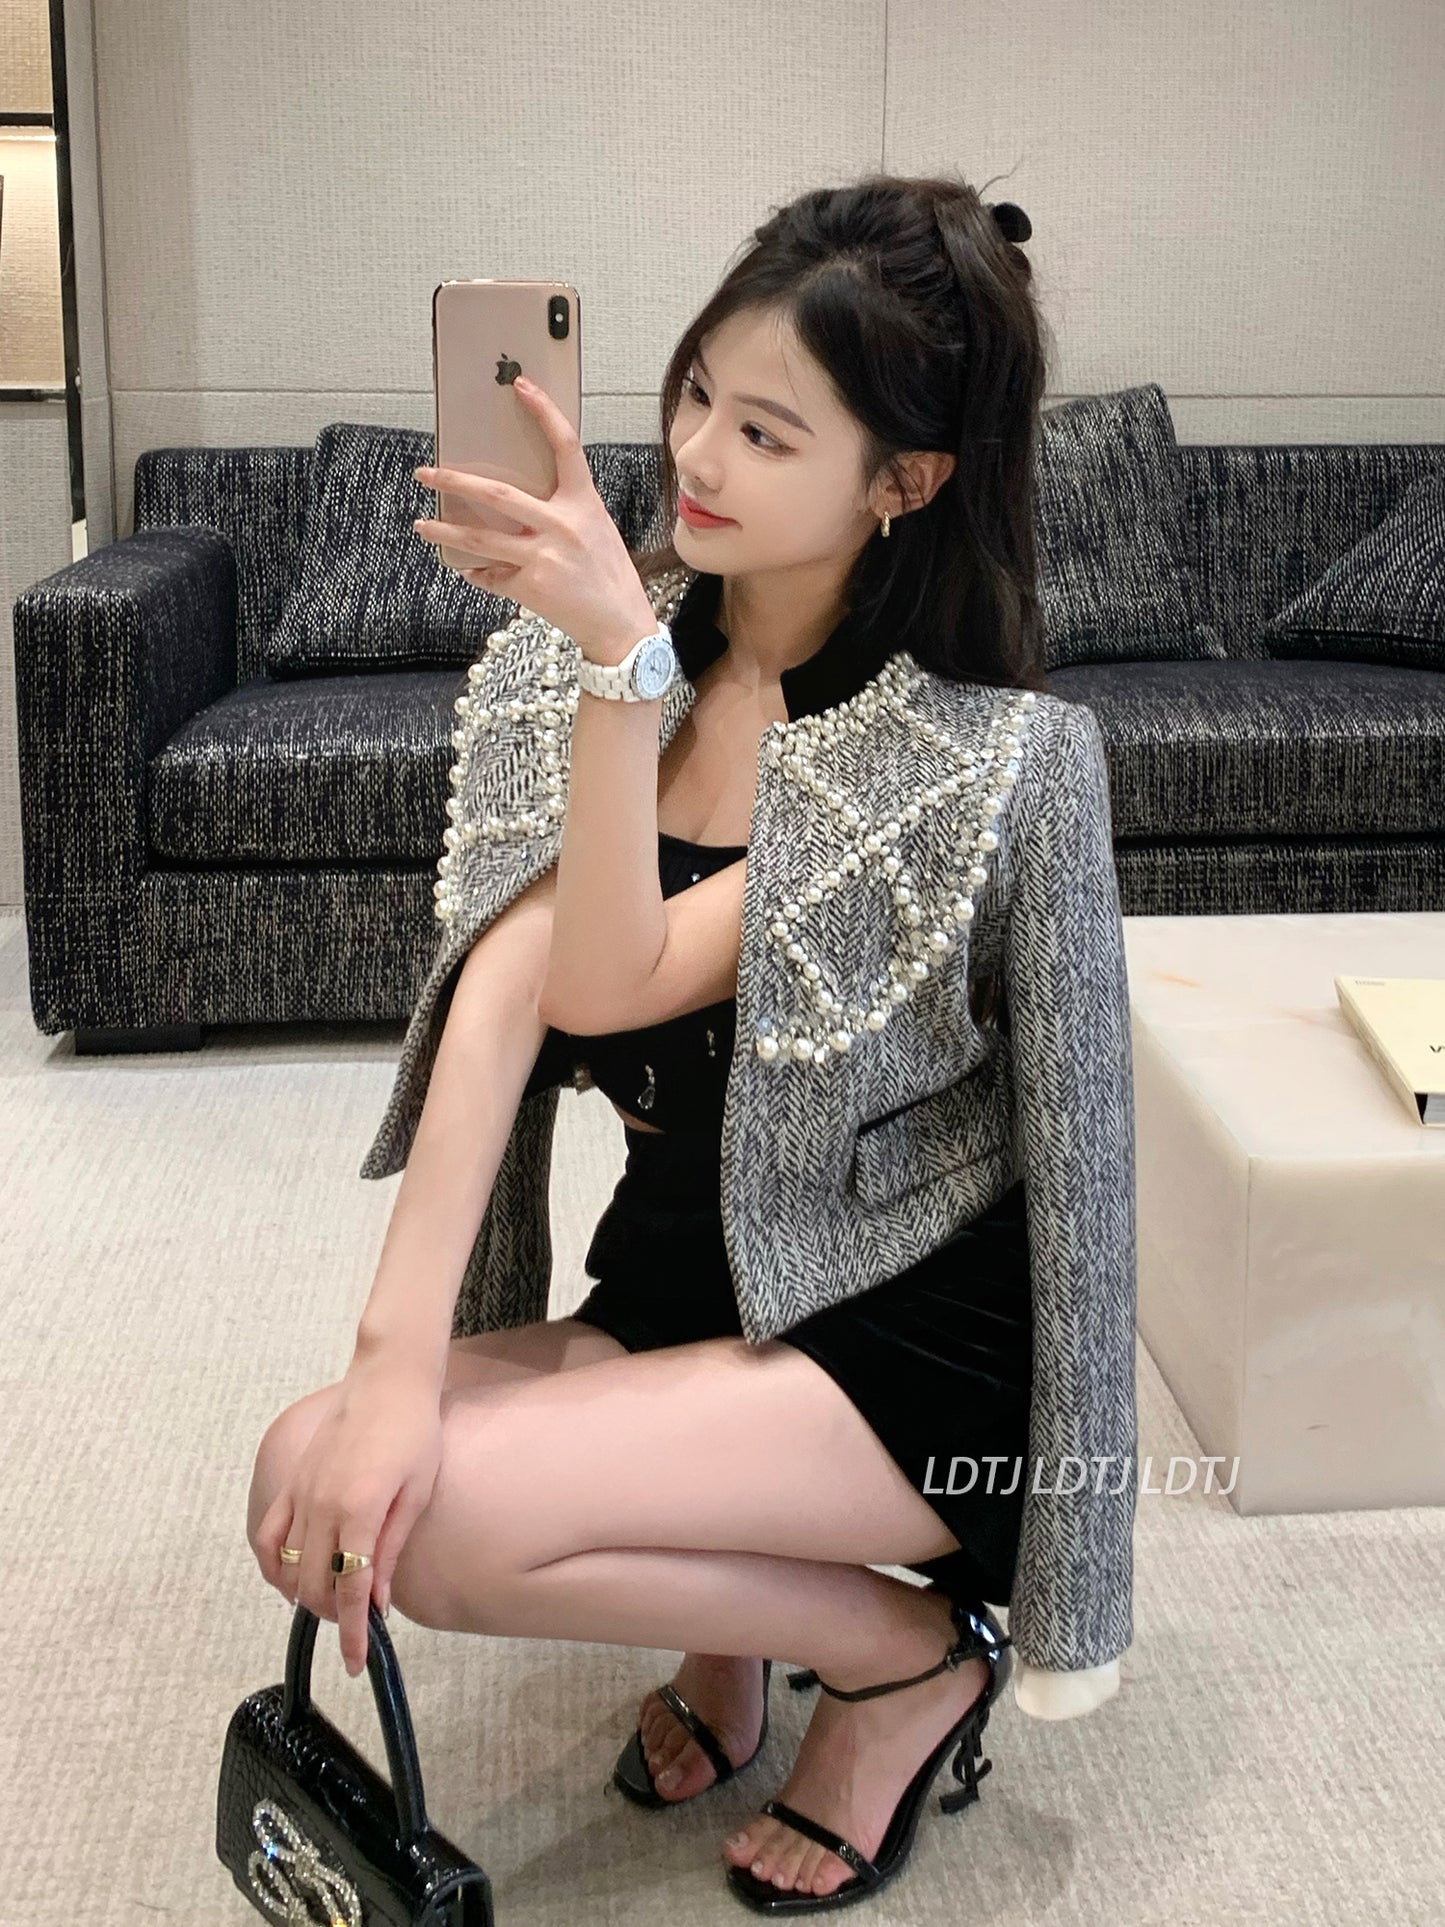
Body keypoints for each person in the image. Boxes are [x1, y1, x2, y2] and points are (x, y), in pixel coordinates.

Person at [248, 172, 1136, 1914]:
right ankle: (726, 1630)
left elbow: (617, 979)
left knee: (450, 1531)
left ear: (904, 480)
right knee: (307, 1470)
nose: (695, 457)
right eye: (694, 395)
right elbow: (512, 988)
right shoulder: (578, 655)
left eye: (765, 431)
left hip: (897, 1333)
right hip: (676, 1277)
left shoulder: (989, 758)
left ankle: (902, 1661)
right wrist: (390, 1361)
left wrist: (616, 662)